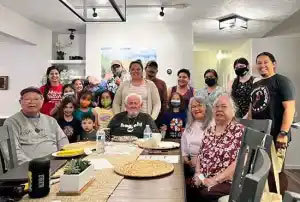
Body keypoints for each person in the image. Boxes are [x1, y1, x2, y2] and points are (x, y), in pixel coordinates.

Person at [249, 52, 296, 194]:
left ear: (274, 64)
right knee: (258, 171)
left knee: (275, 172)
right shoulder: (256, 84)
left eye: (265, 62)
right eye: (259, 62)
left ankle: (278, 197)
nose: (262, 65)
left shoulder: (282, 81)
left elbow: (290, 109)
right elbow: (252, 110)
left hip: (276, 136)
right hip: (259, 136)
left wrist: (283, 133)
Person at [188, 93, 245, 202]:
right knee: (188, 187)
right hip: (205, 178)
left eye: (224, 106)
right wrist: (198, 174)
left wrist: (215, 180)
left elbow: (240, 161)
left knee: (204, 194)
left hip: (228, 181)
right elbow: (201, 154)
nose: (219, 109)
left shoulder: (239, 130)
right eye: (216, 107)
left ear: (233, 111)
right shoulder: (209, 130)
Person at [3, 87, 69, 165]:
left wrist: (64, 161)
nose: (31, 102)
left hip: (55, 164)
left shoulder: (51, 121)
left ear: (42, 101)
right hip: (28, 168)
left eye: (36, 99)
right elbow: (11, 152)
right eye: (27, 99)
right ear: (20, 102)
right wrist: (33, 166)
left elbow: (63, 143)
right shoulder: (11, 122)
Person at [181, 96, 212, 177]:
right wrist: (185, 158)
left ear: (206, 108)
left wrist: (197, 162)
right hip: (190, 165)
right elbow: (184, 143)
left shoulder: (213, 125)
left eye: (199, 105)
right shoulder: (190, 124)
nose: (196, 109)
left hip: (205, 168)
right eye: (193, 107)